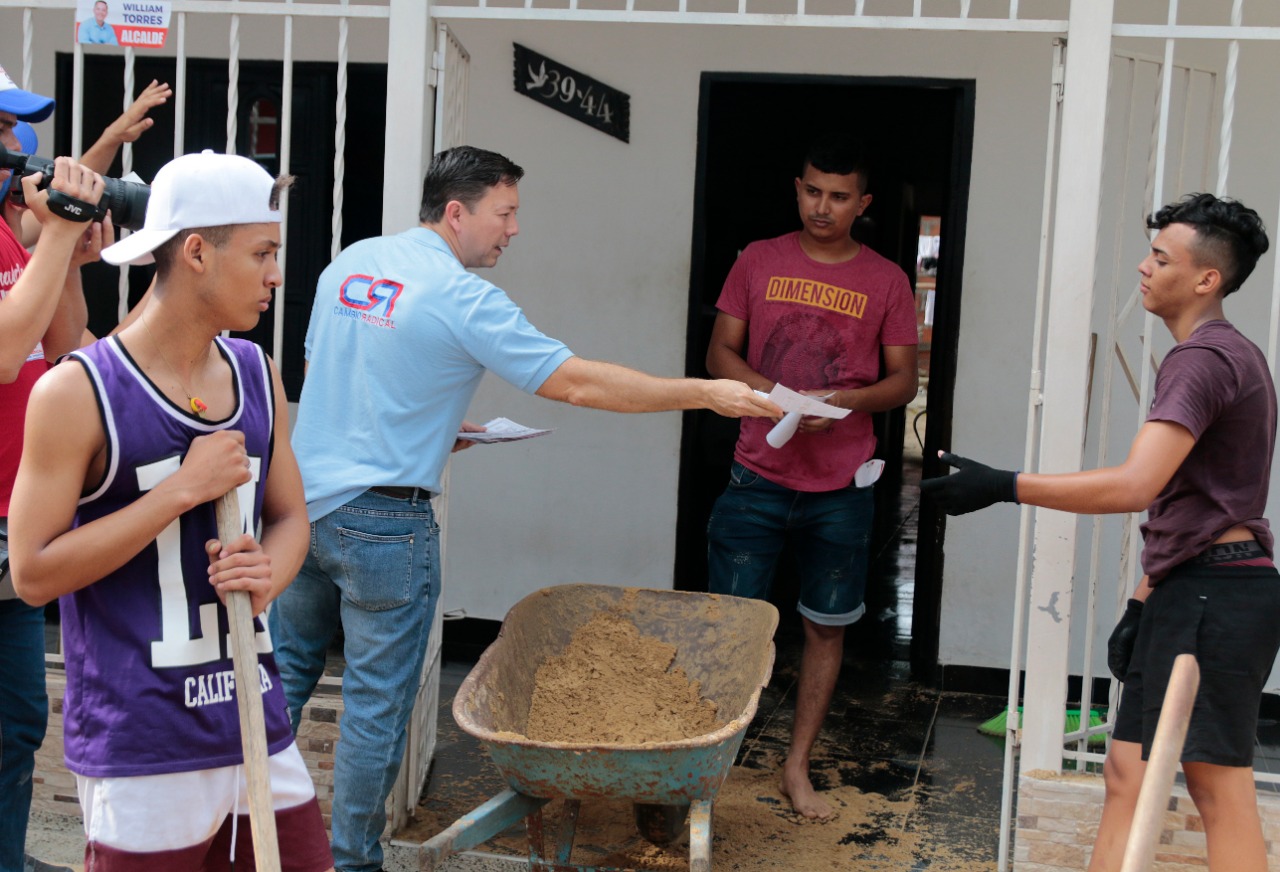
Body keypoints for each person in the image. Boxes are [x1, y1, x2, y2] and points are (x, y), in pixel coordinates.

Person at [269, 144, 781, 872]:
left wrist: (437, 430)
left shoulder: (351, 264)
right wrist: (705, 392)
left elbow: (331, 381)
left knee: (281, 679)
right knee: (375, 708)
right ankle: (351, 863)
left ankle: (238, 839)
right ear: (457, 211)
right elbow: (576, 384)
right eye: (504, 213)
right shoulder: (461, 296)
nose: (514, 230)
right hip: (384, 529)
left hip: (302, 510)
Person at [921, 193, 1276, 872]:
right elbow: (1187, 500)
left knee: (1216, 787)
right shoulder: (1222, 355)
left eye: (1161, 258)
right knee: (1124, 776)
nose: (1144, 268)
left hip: (1218, 595)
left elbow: (1136, 485)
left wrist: (1004, 485)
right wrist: (1144, 602)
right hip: (1192, 588)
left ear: (1207, 279)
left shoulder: (1203, 359)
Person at [8, 151, 334, 872]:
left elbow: (289, 519)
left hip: (256, 720)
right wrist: (177, 495)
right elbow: (31, 574)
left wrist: (267, 573)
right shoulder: (77, 392)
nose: (277, 275)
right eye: (262, 253)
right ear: (195, 252)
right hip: (142, 745)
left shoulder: (255, 372)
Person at [702, 133, 919, 820]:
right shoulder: (758, 260)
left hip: (840, 487)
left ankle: (796, 766)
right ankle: (710, 760)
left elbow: (903, 382)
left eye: (838, 196)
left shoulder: (887, 280)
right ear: (797, 189)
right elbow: (718, 354)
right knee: (734, 624)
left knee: (827, 626)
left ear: (863, 203)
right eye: (812, 191)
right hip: (756, 475)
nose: (822, 207)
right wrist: (778, 397)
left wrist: (843, 402)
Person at [0, 70, 168, 872]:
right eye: (4, 131)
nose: (18, 149)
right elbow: (5, 353)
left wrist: (66, 247)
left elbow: (69, 346)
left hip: (11, 527)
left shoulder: (12, 233)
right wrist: (61, 231)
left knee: (16, 722)